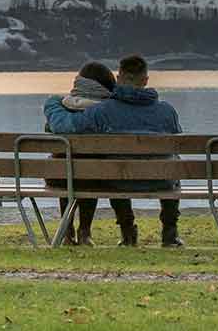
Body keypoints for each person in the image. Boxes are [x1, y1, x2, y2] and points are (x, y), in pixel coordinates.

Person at [42, 53, 184, 248]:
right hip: (163, 180)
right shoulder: (167, 111)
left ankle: (128, 233)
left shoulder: (104, 111)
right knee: (172, 161)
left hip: (120, 181)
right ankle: (170, 234)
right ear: (146, 80)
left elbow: (64, 125)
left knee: (118, 167)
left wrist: (53, 103)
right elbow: (177, 141)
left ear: (119, 78)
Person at [43, 61, 117, 246]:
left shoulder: (60, 108)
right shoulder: (108, 111)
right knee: (90, 170)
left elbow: (48, 128)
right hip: (95, 177)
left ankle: (67, 231)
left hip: (57, 177)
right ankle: (85, 231)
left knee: (64, 165)